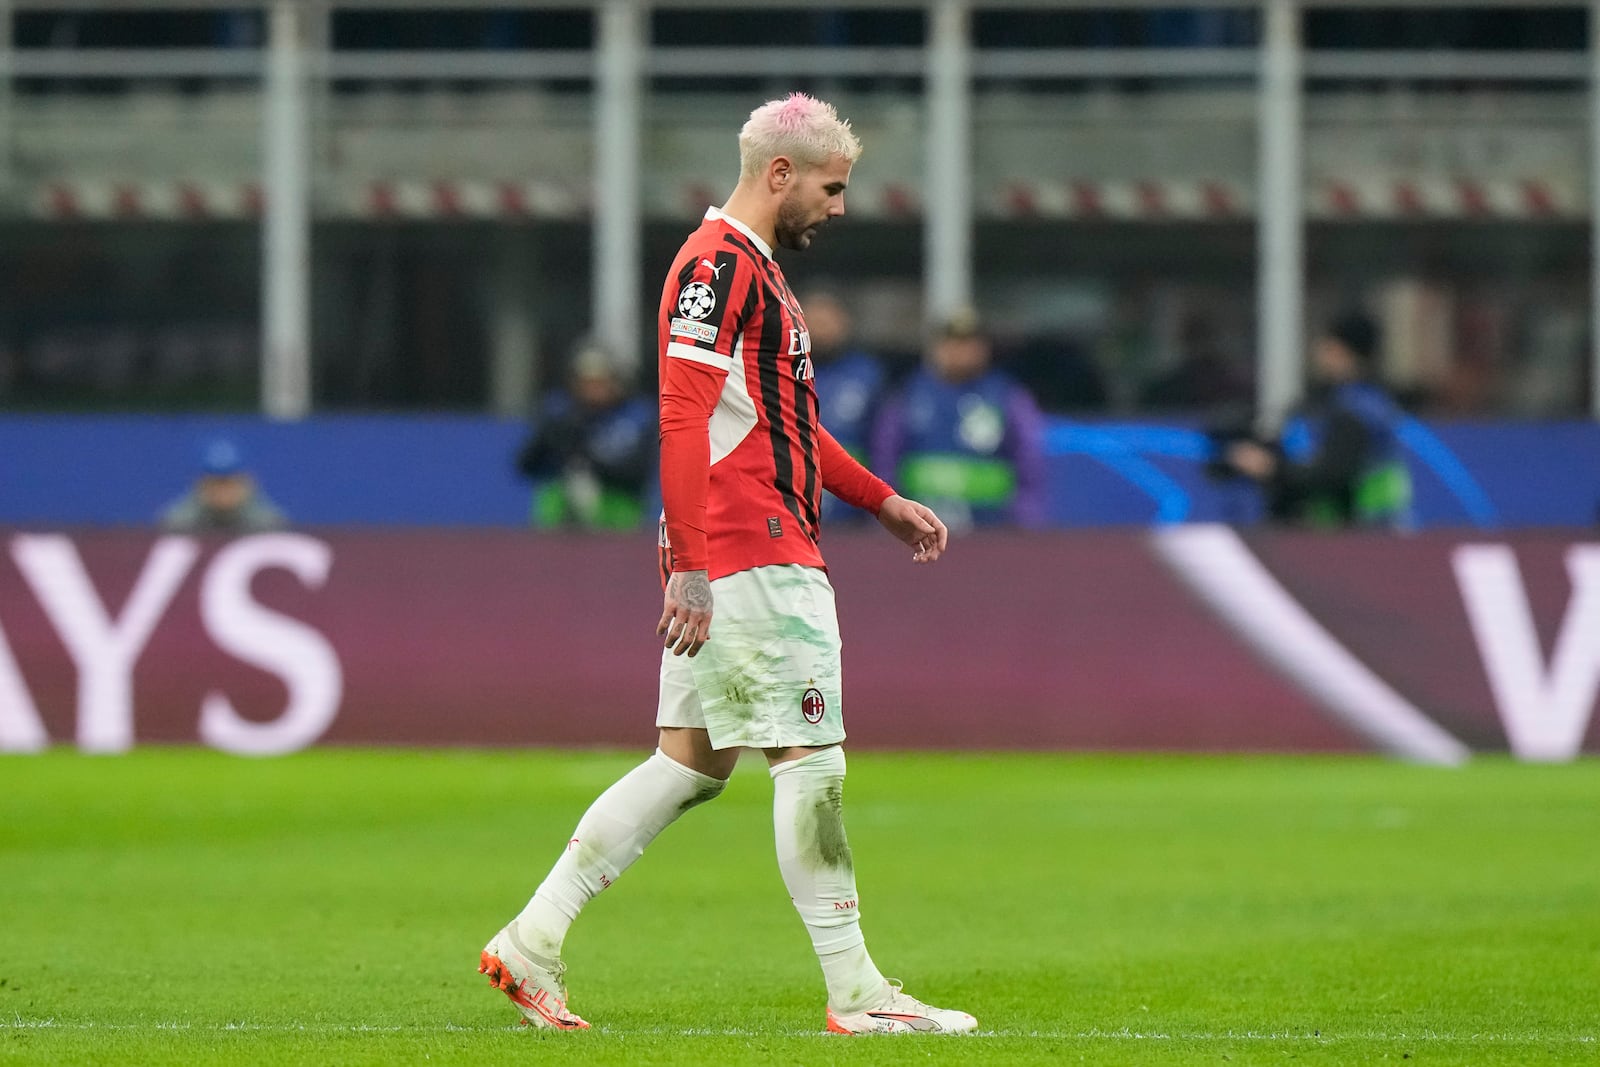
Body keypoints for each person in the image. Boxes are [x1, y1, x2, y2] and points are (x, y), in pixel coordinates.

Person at [477, 92, 976, 1036]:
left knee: (690, 764)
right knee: (810, 757)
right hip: (751, 548)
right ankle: (858, 992)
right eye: (832, 187)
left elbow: (790, 427)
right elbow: (679, 413)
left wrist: (880, 498)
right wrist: (693, 564)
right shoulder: (717, 267)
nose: (838, 205)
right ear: (779, 173)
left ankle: (531, 940)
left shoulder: (759, 273)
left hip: (746, 543)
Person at [1222, 312, 1413, 529]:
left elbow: (1332, 473)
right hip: (1372, 530)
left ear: (1339, 350)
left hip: (1363, 534)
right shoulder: (1362, 401)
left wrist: (1270, 467)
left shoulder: (1356, 409)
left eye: (1325, 345)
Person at [871, 309, 1049, 530]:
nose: (961, 352)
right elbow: (885, 458)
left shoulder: (1007, 396)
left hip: (991, 527)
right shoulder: (909, 394)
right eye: (952, 344)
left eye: (969, 345)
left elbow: (1029, 462)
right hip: (921, 528)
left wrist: (1025, 521)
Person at [516, 340, 655, 530]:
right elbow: (526, 466)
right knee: (553, 495)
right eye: (586, 381)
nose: (592, 389)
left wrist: (588, 459)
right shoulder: (560, 412)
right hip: (564, 502)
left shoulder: (636, 416)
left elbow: (638, 473)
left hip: (617, 503)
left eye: (600, 381)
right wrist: (549, 440)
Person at [800, 287, 888, 523]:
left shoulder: (868, 374)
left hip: (852, 509)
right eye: (815, 320)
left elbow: (883, 444)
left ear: (844, 322)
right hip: (792, 503)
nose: (822, 328)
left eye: (828, 320)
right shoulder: (782, 370)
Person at [159, 438, 287, 534]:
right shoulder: (179, 523)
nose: (222, 490)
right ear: (201, 484)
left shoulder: (267, 523)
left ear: (247, 482)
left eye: (229, 482)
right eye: (216, 482)